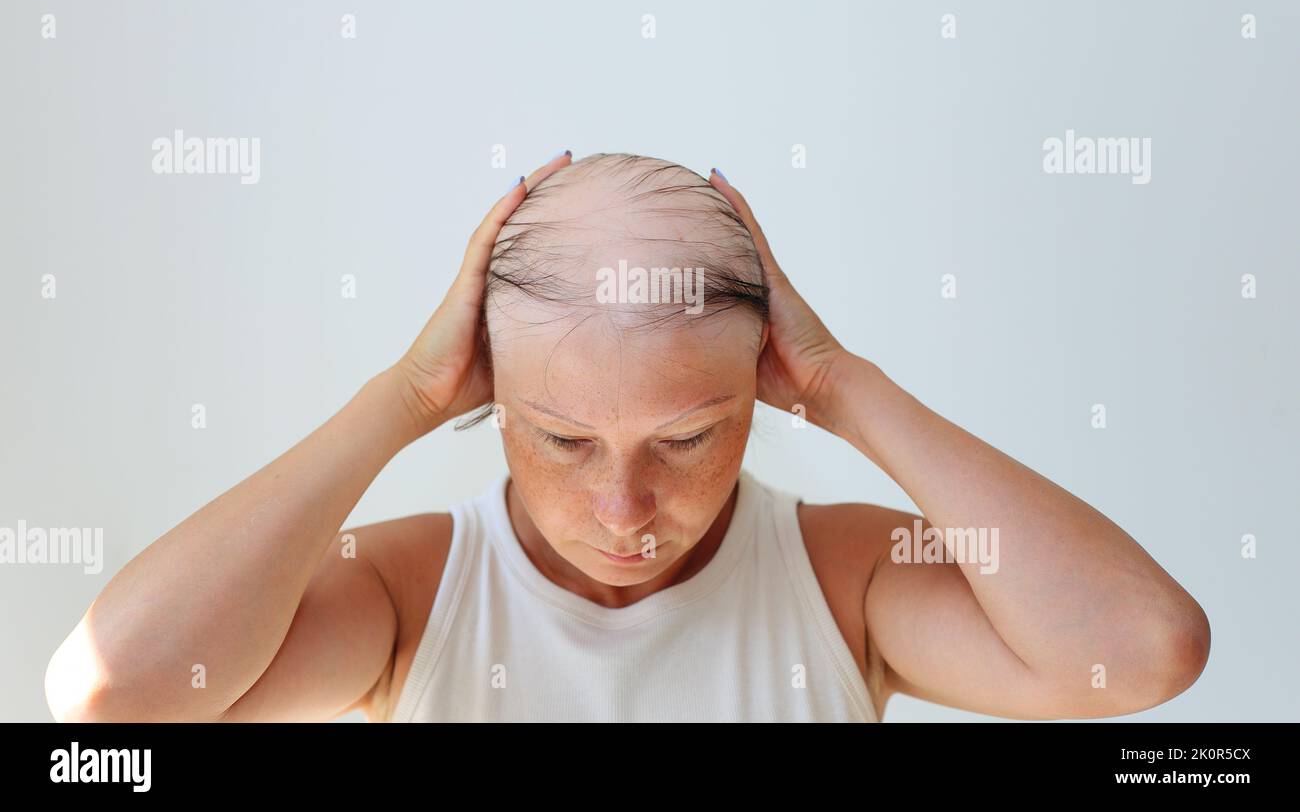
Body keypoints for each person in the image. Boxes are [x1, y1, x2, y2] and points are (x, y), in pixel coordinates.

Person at [44, 151, 1211, 722]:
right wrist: (398, 397)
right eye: (558, 438)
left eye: (689, 437)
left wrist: (844, 384)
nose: (624, 509)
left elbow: (1142, 645)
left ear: (761, 391)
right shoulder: (410, 591)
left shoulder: (842, 580)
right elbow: (112, 694)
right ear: (486, 397)